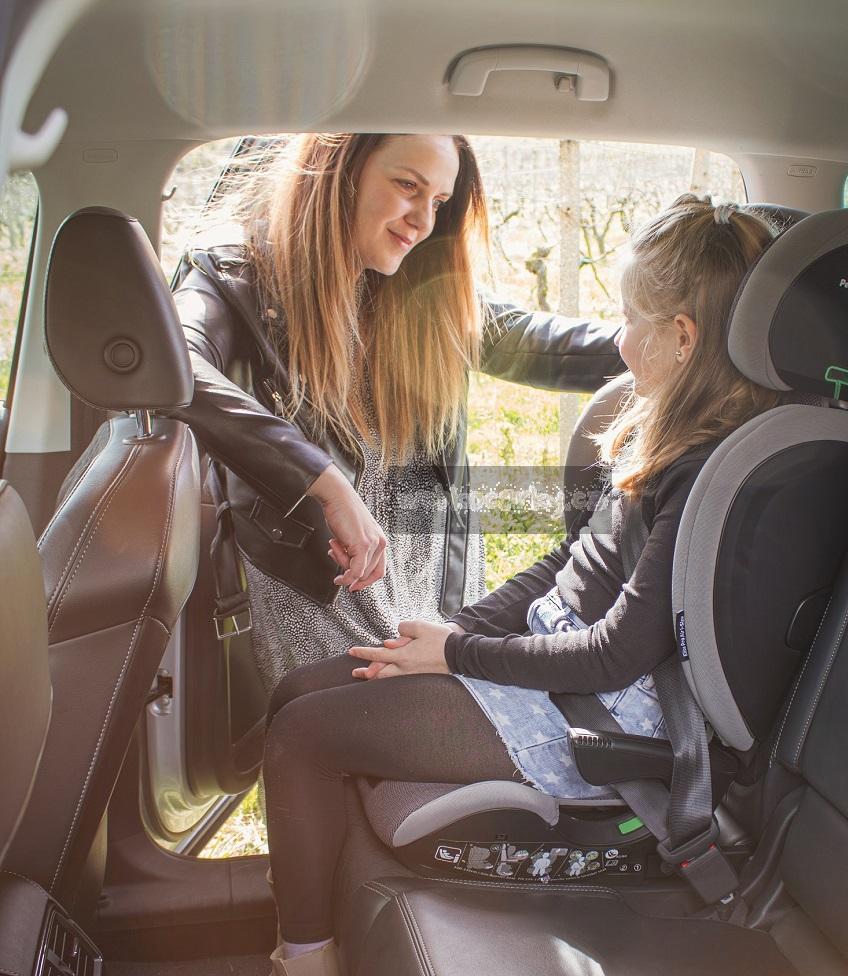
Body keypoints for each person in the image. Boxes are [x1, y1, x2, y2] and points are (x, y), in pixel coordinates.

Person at [253, 195, 785, 976]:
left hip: (596, 715)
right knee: (294, 692)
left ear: (682, 337)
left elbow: (617, 654)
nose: (617, 338)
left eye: (629, 319)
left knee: (303, 737)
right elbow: (568, 564)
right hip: (553, 670)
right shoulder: (658, 430)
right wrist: (447, 633)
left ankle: (307, 974)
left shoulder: (707, 471)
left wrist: (460, 656)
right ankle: (310, 928)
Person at [170, 132, 625, 691]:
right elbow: (173, 364)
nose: (423, 221)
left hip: (436, 584)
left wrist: (666, 342)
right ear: (340, 170)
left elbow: (537, 341)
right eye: (407, 185)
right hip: (325, 589)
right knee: (363, 726)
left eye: (439, 201)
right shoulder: (240, 276)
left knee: (459, 716)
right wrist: (324, 483)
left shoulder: (421, 283)